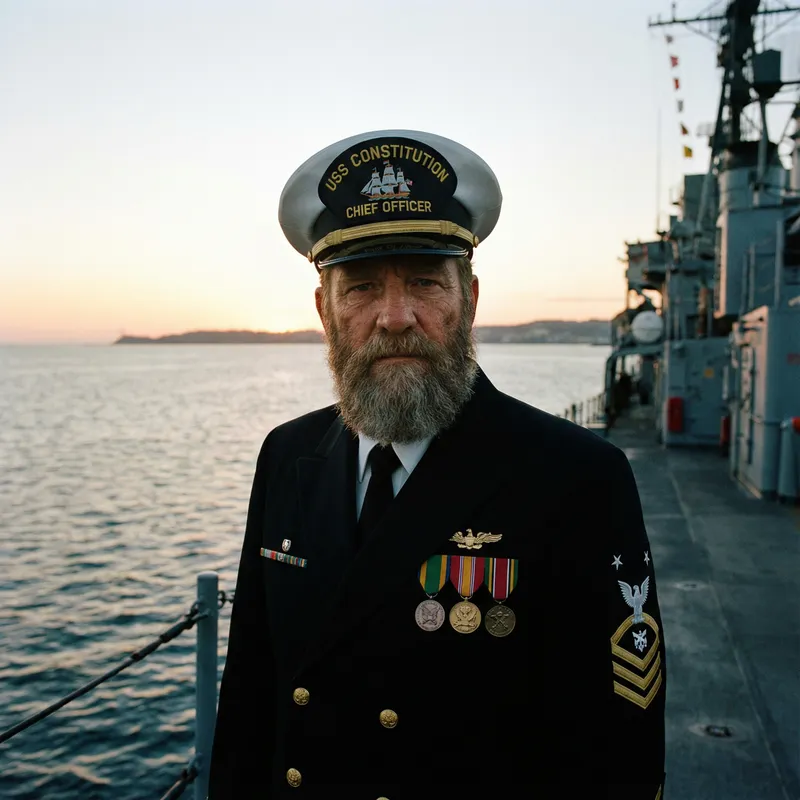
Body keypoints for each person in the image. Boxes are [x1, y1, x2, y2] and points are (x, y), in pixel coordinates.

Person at [208, 130, 667, 799]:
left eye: (424, 281)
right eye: (361, 288)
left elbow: (614, 755)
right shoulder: (287, 457)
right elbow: (251, 697)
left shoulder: (576, 480)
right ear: (324, 313)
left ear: (469, 300)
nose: (395, 318)